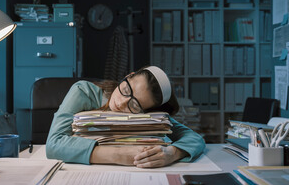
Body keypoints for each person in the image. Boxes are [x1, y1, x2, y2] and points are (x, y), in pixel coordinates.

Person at [46, 66, 205, 168]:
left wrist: (172, 153)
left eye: (134, 105)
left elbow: (195, 138)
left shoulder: (147, 116)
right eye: (126, 89)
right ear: (128, 76)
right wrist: (121, 155)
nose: (122, 102)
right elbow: (54, 143)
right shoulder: (84, 92)